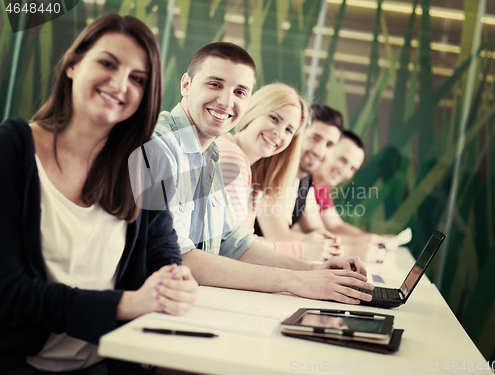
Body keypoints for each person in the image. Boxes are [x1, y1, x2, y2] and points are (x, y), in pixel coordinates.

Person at [0, 14, 197, 374]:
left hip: (105, 363)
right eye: (107, 63)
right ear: (73, 65)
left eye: (138, 79)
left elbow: (162, 251)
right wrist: (126, 304)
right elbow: (8, 292)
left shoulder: (147, 162)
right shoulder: (12, 149)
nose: (120, 84)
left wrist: (173, 280)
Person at [137, 42, 374, 306]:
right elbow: (179, 256)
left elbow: (234, 243)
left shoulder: (212, 151)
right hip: (144, 310)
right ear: (186, 84)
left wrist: (314, 270)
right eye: (215, 84)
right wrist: (296, 281)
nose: (227, 101)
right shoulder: (161, 144)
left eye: (239, 91)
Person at [217, 83, 340, 261]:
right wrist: (300, 250)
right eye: (274, 118)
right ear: (254, 110)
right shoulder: (232, 160)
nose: (279, 133)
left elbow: (242, 241)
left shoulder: (249, 169)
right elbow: (235, 249)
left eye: (289, 130)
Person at [254, 104, 344, 251]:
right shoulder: (272, 170)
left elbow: (317, 231)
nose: (319, 151)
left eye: (329, 145)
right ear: (297, 135)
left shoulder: (305, 180)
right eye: (315, 138)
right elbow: (279, 236)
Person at [313, 130, 395, 262]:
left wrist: (373, 239)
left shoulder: (322, 187)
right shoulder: (304, 181)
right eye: (342, 160)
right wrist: (361, 243)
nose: (344, 171)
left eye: (352, 169)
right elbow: (313, 234)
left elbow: (335, 225)